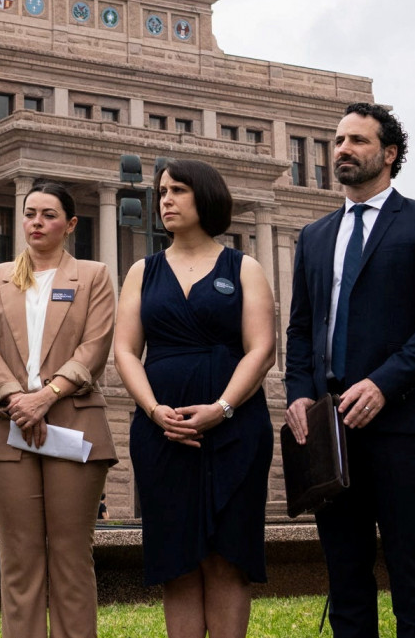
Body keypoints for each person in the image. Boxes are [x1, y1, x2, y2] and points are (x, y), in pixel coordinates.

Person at [285, 102, 415, 638]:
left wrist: (384, 383)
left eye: (357, 141)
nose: (342, 149)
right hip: (329, 428)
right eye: (338, 140)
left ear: (388, 154)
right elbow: (300, 328)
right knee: (345, 576)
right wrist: (299, 394)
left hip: (401, 425)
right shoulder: (313, 236)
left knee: (412, 569)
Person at [114, 159, 275, 638]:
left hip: (235, 430)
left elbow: (262, 349)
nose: (165, 200)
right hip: (163, 433)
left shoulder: (244, 267)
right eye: (162, 191)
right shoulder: (141, 271)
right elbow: (124, 350)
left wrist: (222, 409)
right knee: (177, 562)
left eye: (178, 190)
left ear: (205, 197)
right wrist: (152, 409)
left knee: (229, 559)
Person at [0, 180, 117, 638]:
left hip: (73, 423)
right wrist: (17, 399)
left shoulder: (93, 275)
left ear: (70, 224)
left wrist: (46, 396)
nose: (36, 222)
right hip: (8, 427)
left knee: (72, 556)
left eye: (48, 214)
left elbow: (95, 346)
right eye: (30, 213)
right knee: (19, 558)